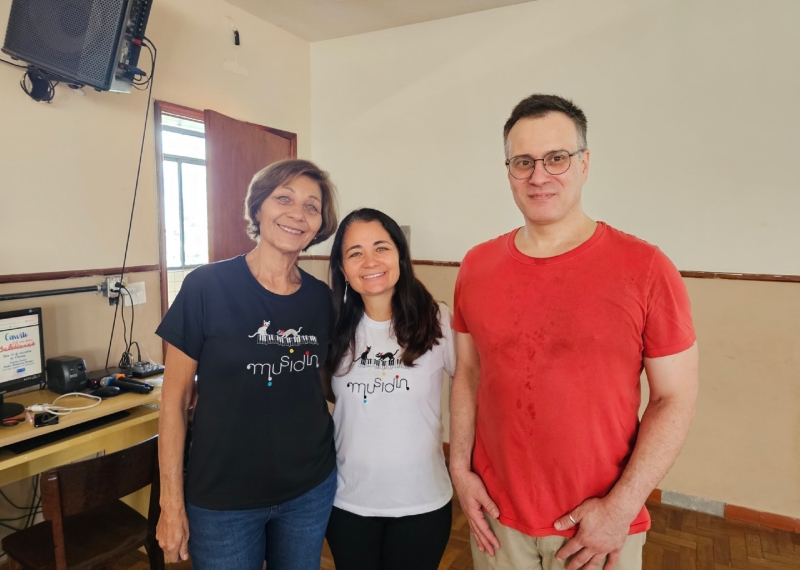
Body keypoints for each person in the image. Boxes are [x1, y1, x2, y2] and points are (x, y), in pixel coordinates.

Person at [450, 94, 699, 570]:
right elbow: (468, 372)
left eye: (556, 158)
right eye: (523, 162)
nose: (538, 176)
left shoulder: (646, 268)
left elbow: (675, 398)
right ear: (508, 171)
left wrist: (621, 507)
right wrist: (460, 469)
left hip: (599, 526)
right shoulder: (476, 266)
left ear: (584, 164)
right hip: (498, 520)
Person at [155, 159, 339, 570]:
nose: (298, 213)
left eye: (311, 206)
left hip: (309, 489)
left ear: (319, 225)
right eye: (284, 198)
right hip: (223, 500)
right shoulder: (206, 287)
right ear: (258, 208)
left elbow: (324, 385)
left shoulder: (321, 299)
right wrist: (171, 503)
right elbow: (174, 400)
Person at [323, 208, 455, 570]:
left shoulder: (439, 320)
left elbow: (474, 391)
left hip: (423, 502)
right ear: (343, 269)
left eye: (381, 247)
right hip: (348, 503)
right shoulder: (333, 327)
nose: (370, 262)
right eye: (355, 253)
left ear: (400, 254)